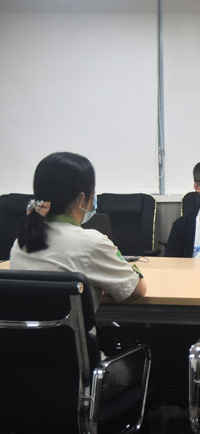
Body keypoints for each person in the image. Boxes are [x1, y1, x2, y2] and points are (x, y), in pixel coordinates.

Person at [10, 151, 147, 398]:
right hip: (85, 378)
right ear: (82, 198)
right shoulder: (91, 242)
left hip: (23, 372)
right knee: (146, 362)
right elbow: (136, 290)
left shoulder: (21, 241)